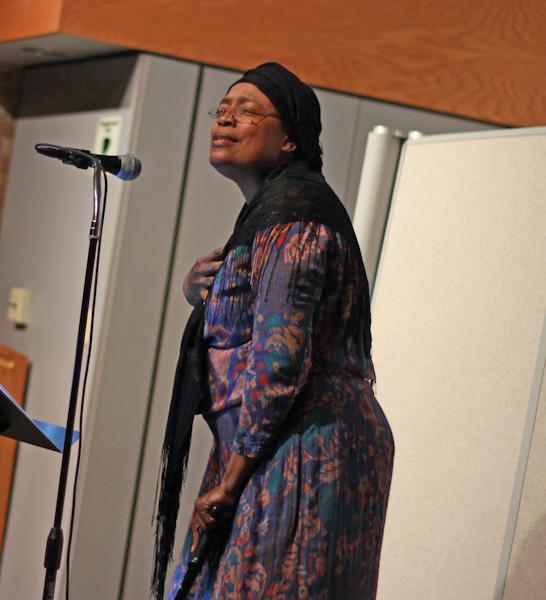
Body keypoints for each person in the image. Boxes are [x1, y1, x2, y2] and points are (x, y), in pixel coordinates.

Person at [152, 62, 395, 600]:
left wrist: (228, 482)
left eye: (246, 111)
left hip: (300, 448)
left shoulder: (296, 217)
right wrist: (199, 294)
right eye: (221, 110)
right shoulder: (269, 215)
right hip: (272, 441)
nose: (226, 120)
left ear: (289, 139)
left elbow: (279, 361)